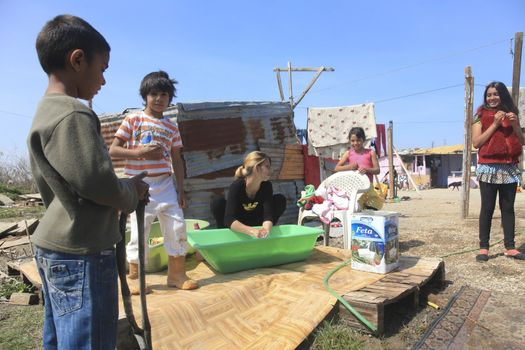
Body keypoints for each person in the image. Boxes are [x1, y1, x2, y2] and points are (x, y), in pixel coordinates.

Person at [27, 15, 149, 350]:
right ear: (78, 60)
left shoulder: (45, 111)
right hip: (82, 252)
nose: (104, 80)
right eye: (103, 68)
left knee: (64, 338)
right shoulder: (74, 114)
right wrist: (131, 192)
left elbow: (74, 180)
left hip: (56, 246)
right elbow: (97, 182)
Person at [109, 70, 198, 290]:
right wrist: (140, 152)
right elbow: (113, 150)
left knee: (177, 227)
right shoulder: (134, 119)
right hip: (140, 185)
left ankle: (176, 275)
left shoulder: (171, 126)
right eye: (154, 93)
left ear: (170, 98)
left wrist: (181, 190)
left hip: (166, 184)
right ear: (145, 96)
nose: (159, 99)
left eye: (165, 95)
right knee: (140, 230)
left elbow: (177, 159)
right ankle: (136, 279)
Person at [472, 81, 525, 262]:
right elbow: (476, 142)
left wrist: (516, 125)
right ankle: (484, 248)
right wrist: (494, 124)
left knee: (508, 208)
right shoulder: (479, 115)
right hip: (488, 166)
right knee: (487, 208)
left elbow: (522, 141)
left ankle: (510, 247)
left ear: (502, 95)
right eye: (489, 95)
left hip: (509, 167)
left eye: (495, 94)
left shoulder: (512, 114)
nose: (492, 98)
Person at [210, 151, 286, 238]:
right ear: (257, 168)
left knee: (280, 200)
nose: (271, 170)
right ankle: (226, 238)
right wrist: (252, 231)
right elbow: (229, 219)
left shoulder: (267, 186)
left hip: (257, 223)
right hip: (239, 225)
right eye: (267, 166)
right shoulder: (237, 186)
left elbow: (268, 215)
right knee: (217, 202)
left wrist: (265, 232)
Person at [335, 127, 382, 209]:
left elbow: (377, 170)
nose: (355, 143)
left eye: (358, 140)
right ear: (349, 141)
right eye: (353, 141)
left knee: (372, 208)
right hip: (353, 187)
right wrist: (349, 167)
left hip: (368, 187)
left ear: (363, 140)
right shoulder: (348, 153)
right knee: (356, 209)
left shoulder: (371, 153)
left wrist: (367, 169)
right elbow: (337, 168)